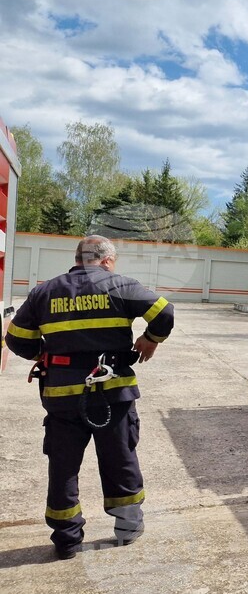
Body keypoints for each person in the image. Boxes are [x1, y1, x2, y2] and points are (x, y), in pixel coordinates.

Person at [5, 236, 174, 560]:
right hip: (112, 391)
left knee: (63, 466)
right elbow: (164, 312)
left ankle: (66, 539)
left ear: (78, 259)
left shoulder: (45, 291)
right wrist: (151, 339)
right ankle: (127, 529)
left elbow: (17, 338)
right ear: (108, 260)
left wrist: (45, 352)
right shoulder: (121, 285)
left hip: (62, 395)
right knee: (120, 458)